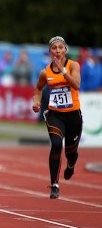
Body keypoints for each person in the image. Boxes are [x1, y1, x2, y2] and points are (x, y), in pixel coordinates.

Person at [32, 36, 83, 199]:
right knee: (55, 144)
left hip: (73, 115)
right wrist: (37, 102)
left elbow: (76, 84)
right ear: (50, 51)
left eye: (61, 47)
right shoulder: (45, 72)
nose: (58, 50)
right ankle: (54, 184)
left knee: (71, 152)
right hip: (55, 114)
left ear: (65, 50)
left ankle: (71, 164)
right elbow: (38, 88)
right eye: (54, 48)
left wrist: (63, 70)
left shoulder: (73, 65)